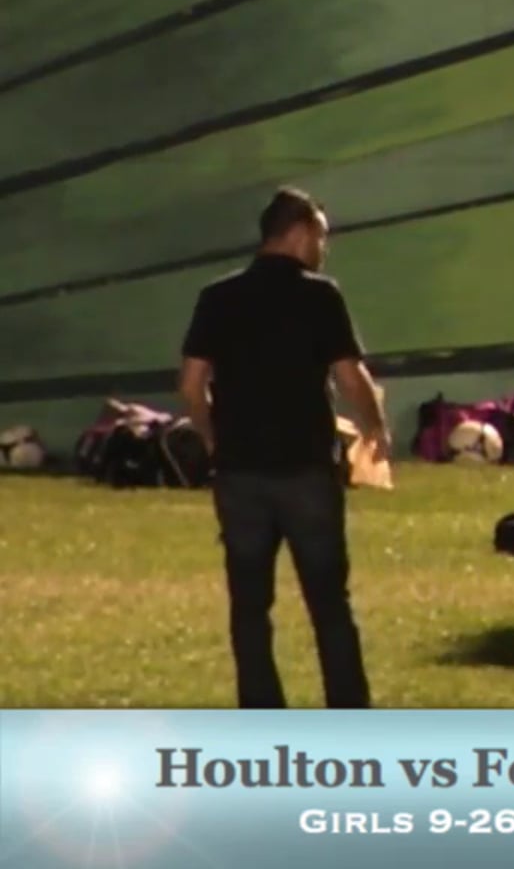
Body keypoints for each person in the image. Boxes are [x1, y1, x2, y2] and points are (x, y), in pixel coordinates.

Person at [178, 187, 390, 709]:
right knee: (329, 603)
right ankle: (349, 713)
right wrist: (376, 427)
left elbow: (191, 384)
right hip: (305, 470)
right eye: (321, 236)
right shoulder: (320, 295)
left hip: (240, 473)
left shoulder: (217, 297)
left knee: (250, 606)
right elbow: (350, 376)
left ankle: (261, 715)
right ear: (299, 234)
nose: (323, 248)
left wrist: (210, 435)